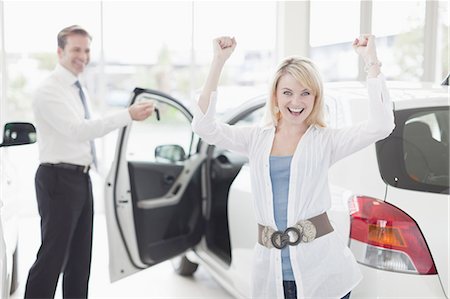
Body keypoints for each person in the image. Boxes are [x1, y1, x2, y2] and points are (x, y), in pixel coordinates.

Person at [191, 35, 394, 299]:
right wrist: (218, 62)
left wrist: (371, 62)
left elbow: (381, 125)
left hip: (322, 273)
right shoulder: (255, 139)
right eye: (287, 92)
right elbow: (203, 126)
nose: (296, 102)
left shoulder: (326, 140)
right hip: (271, 275)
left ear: (315, 97)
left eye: (305, 93)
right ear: (275, 96)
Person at [25, 25, 155, 299]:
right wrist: (127, 115)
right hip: (58, 178)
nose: (82, 56)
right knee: (52, 259)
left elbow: (82, 135)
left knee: (80, 261)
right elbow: (78, 130)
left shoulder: (74, 87)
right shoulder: (49, 90)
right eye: (76, 49)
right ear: (59, 52)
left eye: (86, 50)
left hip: (79, 179)